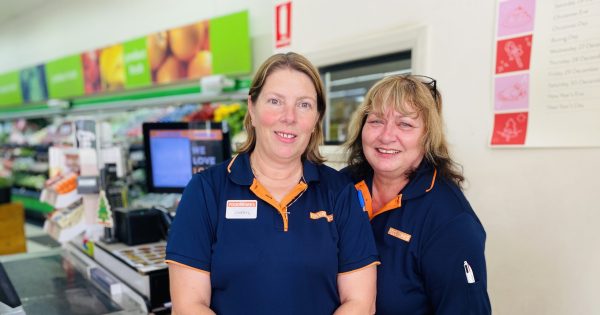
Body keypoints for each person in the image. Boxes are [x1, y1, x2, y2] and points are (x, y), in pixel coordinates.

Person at [166, 52, 379, 315]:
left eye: (304, 105)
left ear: (315, 119)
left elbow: (360, 303)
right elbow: (188, 306)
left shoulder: (340, 193)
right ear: (252, 109)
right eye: (275, 101)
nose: (289, 117)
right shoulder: (206, 191)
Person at [342, 75, 491, 315]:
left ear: (427, 136)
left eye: (405, 124)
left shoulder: (451, 221)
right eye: (377, 121)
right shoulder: (342, 186)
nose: (386, 135)